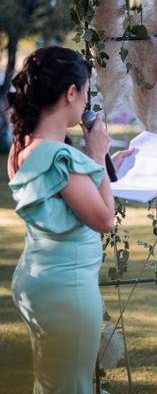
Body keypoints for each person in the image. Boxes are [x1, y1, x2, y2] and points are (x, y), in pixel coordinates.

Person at [7, 46, 131, 393]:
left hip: (38, 281)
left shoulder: (23, 147)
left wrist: (103, 168)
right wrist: (97, 154)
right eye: (87, 91)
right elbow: (104, 219)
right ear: (71, 92)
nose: (87, 102)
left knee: (53, 383)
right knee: (71, 386)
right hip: (66, 292)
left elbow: (69, 199)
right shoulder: (59, 156)